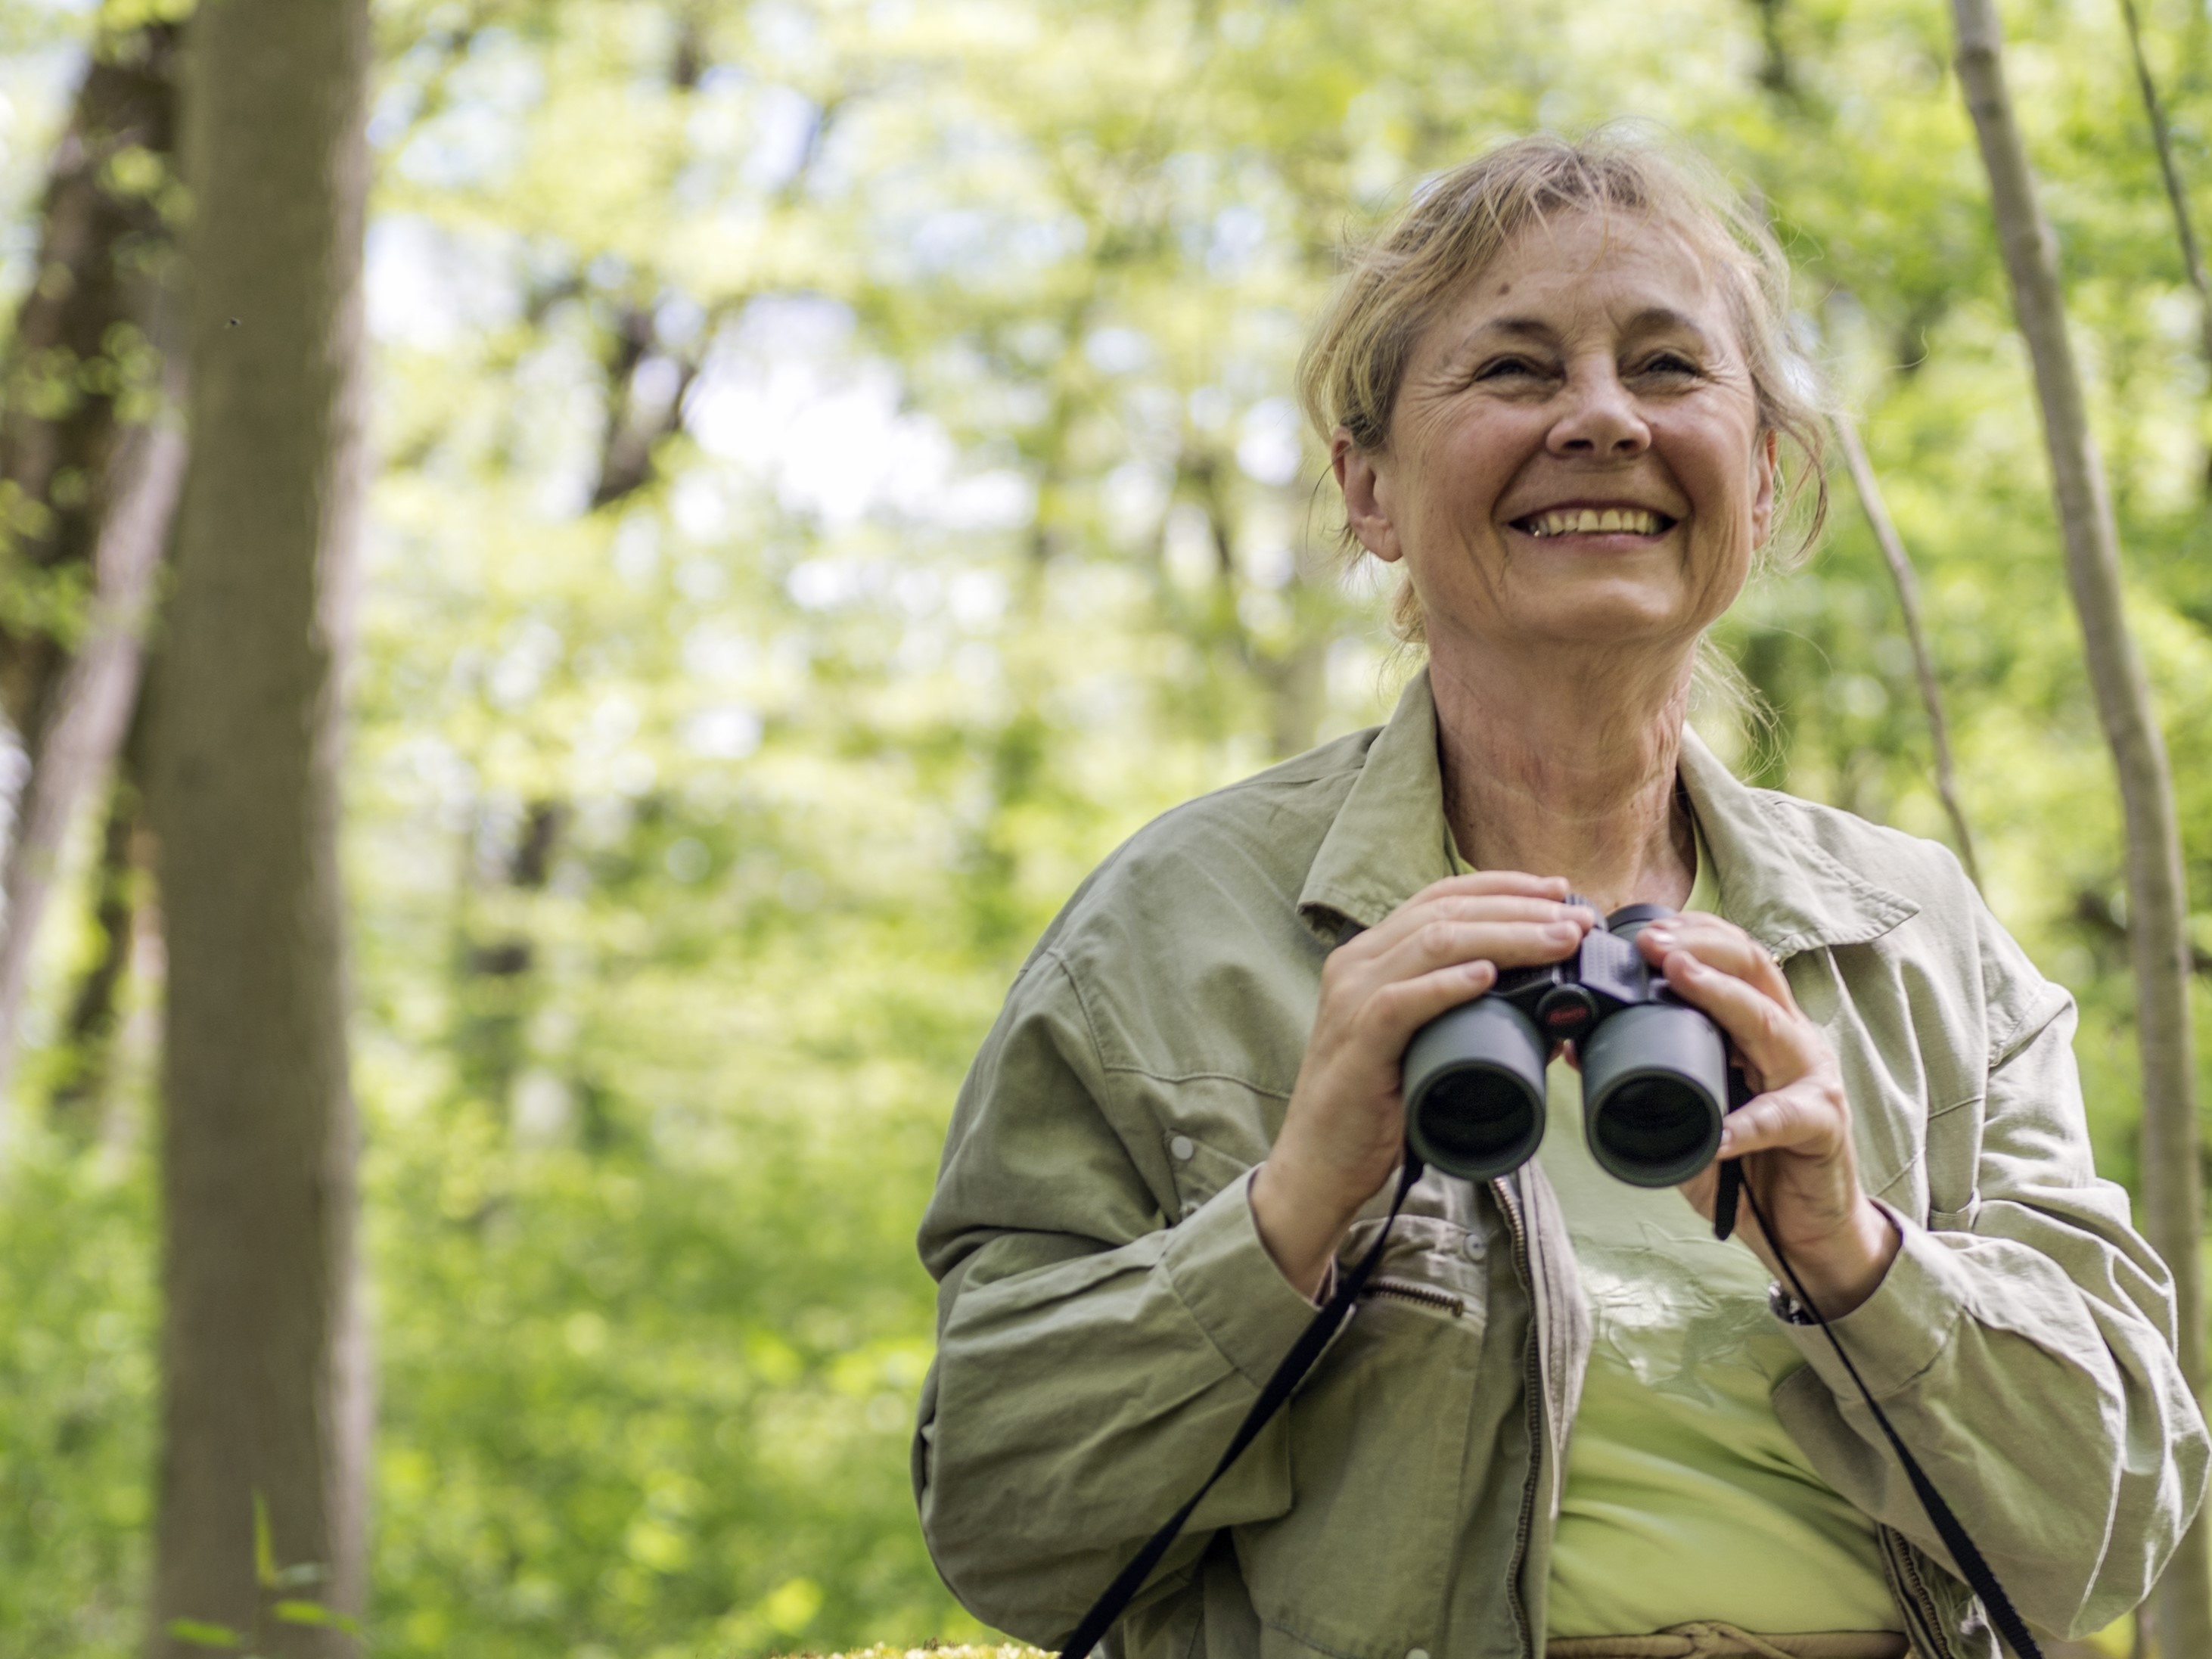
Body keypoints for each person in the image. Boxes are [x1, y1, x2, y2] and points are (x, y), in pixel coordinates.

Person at [909, 135, 2209, 1659]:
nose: (1600, 417)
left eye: (1667, 368)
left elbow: (2118, 1519)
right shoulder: (1172, 935)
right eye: (1514, 371)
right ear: (1368, 486)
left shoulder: (1915, 940)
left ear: (1763, 477)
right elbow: (1000, 1514)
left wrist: (1858, 1254)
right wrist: (1285, 1214)